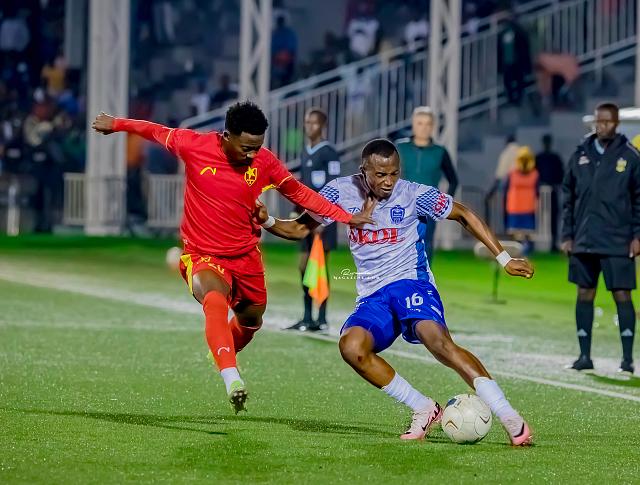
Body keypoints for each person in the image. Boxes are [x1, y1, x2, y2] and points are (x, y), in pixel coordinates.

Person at [91, 102, 374, 413]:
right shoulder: (194, 145)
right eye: (246, 148)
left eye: (257, 148)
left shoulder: (264, 161)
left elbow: (300, 193)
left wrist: (346, 217)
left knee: (252, 320)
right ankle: (232, 377)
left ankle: (222, 350)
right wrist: (116, 123)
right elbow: (155, 131)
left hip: (246, 257)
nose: (252, 155)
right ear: (227, 136)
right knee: (214, 298)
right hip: (203, 254)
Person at [259, 138, 534, 446]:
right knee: (351, 347)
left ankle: (509, 416)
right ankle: (423, 407)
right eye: (380, 175)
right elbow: (299, 228)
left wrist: (504, 258)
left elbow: (464, 214)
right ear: (363, 170)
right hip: (372, 295)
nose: (389, 182)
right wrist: (266, 220)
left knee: (438, 342)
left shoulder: (414, 194)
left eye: (394, 173)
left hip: (411, 282)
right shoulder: (340, 192)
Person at [562, 102, 640, 375]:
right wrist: (567, 235)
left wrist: (637, 235)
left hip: (618, 239)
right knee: (584, 293)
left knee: (622, 294)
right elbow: (568, 197)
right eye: (598, 121)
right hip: (584, 238)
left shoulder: (630, 156)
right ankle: (584, 356)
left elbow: (639, 199)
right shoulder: (580, 153)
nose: (601, 126)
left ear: (616, 123)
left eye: (607, 122)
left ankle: (627, 359)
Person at [288, 108, 342, 332]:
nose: (309, 126)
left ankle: (321, 318)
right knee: (303, 266)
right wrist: (295, 210)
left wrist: (323, 219)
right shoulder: (305, 151)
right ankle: (307, 316)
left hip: (323, 220)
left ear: (323, 126)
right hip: (306, 218)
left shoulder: (329, 152)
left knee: (319, 265)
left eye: (314, 123)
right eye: (307, 122)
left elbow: (335, 188)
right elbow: (302, 187)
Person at [396, 106, 458, 263]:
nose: (423, 128)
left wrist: (444, 205)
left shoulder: (440, 152)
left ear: (433, 126)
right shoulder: (400, 148)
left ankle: (423, 277)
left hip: (427, 208)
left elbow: (453, 180)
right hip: (400, 206)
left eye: (428, 124)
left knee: (424, 245)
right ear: (413, 124)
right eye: (420, 123)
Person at [505, 146, 539, 255]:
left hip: (527, 208)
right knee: (515, 234)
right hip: (515, 208)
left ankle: (526, 255)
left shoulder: (534, 174)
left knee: (528, 234)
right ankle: (516, 255)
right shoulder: (512, 173)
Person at [536, 134, 564, 251]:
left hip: (552, 191)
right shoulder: (539, 158)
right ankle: (540, 242)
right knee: (541, 216)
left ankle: (553, 242)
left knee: (554, 217)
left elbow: (561, 174)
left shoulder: (554, 158)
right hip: (541, 192)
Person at [497, 12, 531, 106]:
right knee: (510, 80)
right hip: (509, 60)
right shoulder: (505, 32)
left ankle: (517, 98)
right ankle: (512, 98)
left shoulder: (518, 30)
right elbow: (500, 48)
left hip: (516, 59)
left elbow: (524, 46)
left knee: (518, 79)